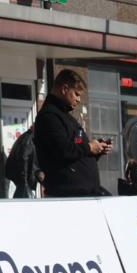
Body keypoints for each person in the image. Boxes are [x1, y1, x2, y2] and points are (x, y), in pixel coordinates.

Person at [34, 69, 113, 197]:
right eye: (76, 94)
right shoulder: (49, 117)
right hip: (69, 194)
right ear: (65, 89)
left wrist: (96, 150)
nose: (79, 100)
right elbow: (63, 150)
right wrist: (89, 147)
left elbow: (77, 148)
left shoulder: (66, 117)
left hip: (84, 191)